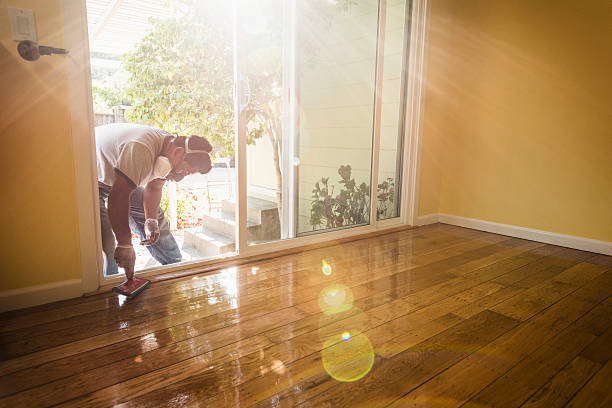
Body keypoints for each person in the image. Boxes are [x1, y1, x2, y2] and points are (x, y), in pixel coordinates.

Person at [95, 123, 212, 278]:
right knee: (106, 242)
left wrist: (151, 220)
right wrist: (125, 244)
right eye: (184, 170)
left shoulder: (169, 154)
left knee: (157, 221)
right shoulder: (141, 149)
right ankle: (110, 282)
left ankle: (175, 268)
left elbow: (154, 188)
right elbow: (118, 197)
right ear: (178, 152)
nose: (181, 176)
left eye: (187, 174)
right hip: (93, 178)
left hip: (122, 177)